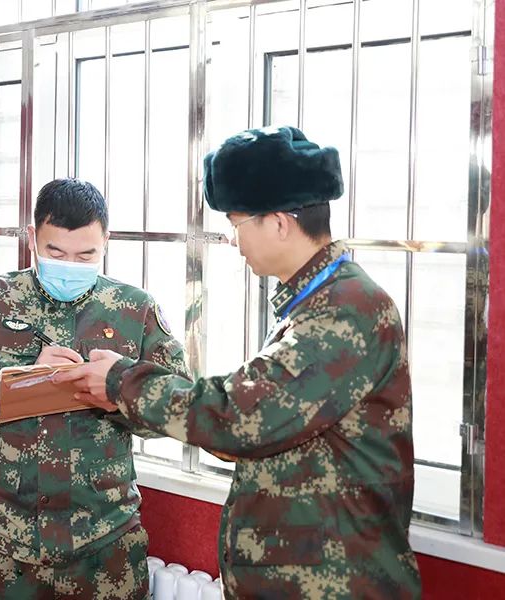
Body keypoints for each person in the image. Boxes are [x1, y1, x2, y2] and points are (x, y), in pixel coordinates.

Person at [56, 127, 422, 599]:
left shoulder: (347, 309)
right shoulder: (314, 303)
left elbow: (245, 414)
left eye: (236, 222)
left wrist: (121, 381)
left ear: (279, 223)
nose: (232, 240)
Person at [0, 178, 190, 599]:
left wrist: (117, 388)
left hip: (104, 546)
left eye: (86, 255)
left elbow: (179, 404)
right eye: (55, 252)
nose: (70, 264)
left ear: (106, 242)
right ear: (33, 237)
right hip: (2, 544)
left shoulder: (134, 309)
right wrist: (24, 376)